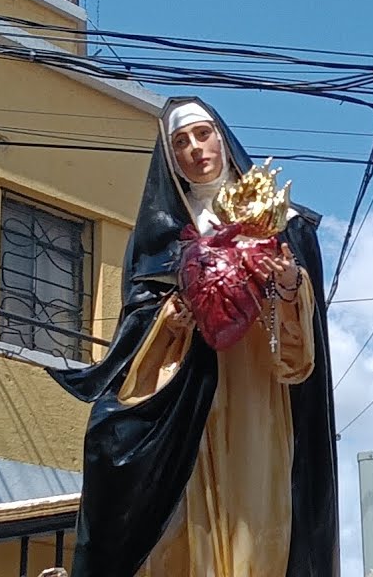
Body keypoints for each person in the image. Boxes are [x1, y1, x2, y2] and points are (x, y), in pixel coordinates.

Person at [49, 97, 339, 577]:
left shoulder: (282, 225)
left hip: (255, 398)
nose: (195, 148)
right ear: (169, 159)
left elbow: (301, 357)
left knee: (255, 519)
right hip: (185, 406)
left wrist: (287, 283)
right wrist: (172, 319)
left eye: (203, 134)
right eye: (180, 141)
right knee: (182, 524)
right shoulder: (161, 242)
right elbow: (137, 334)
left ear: (222, 139)